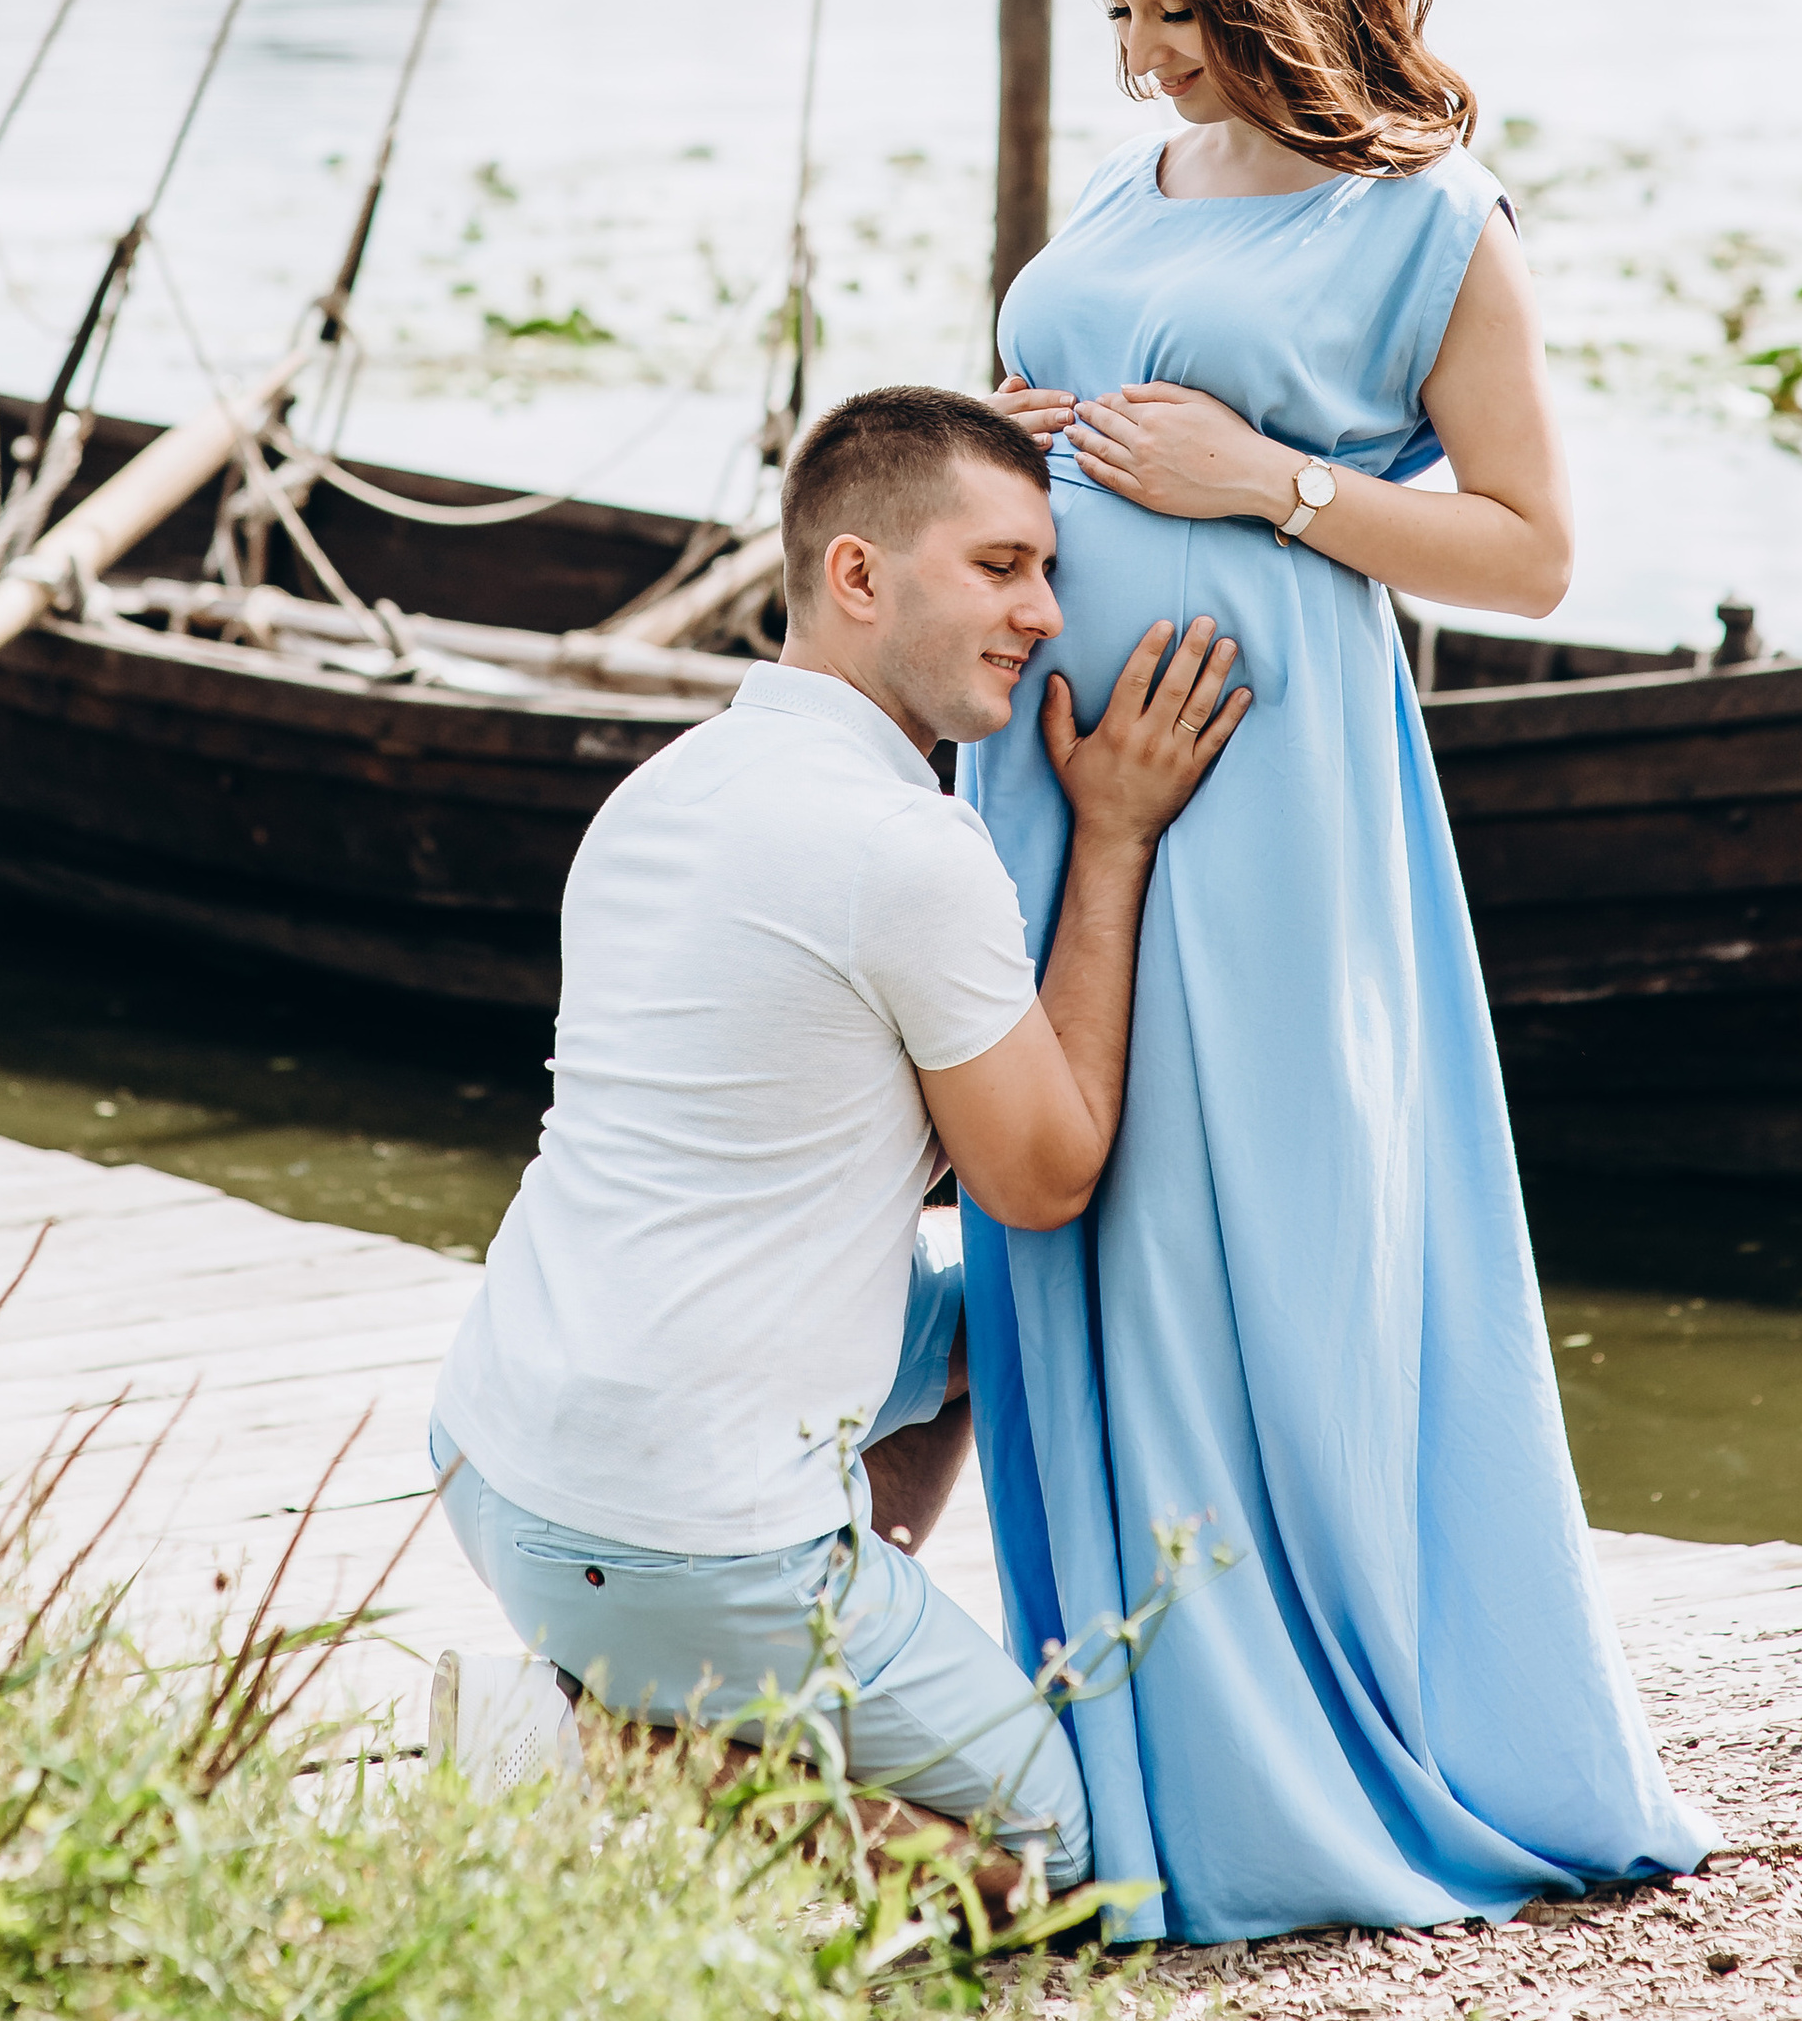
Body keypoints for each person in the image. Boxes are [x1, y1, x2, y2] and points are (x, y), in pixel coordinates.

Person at [968, 0, 1710, 1944]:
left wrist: (1265, 478)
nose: (1139, 60)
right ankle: (1117, 1732)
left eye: (1166, 11)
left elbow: (1528, 551)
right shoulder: (1139, 178)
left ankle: (1297, 1763)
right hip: (1061, 771)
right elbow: (1101, 415)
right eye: (1111, 16)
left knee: (1252, 1231)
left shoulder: (1428, 220)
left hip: (1267, 799)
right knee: (1073, 1214)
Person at [429, 382, 1251, 1876]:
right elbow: (1044, 1173)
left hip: (498, 1456)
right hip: (681, 1532)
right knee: (1051, 1854)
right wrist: (1115, 839)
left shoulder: (667, 788)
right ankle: (591, 1750)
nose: (1048, 613)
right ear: (860, 575)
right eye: (1003, 566)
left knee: (961, 1320)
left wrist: (943, 452)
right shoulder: (900, 848)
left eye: (1047, 570)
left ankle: (766, 1665)